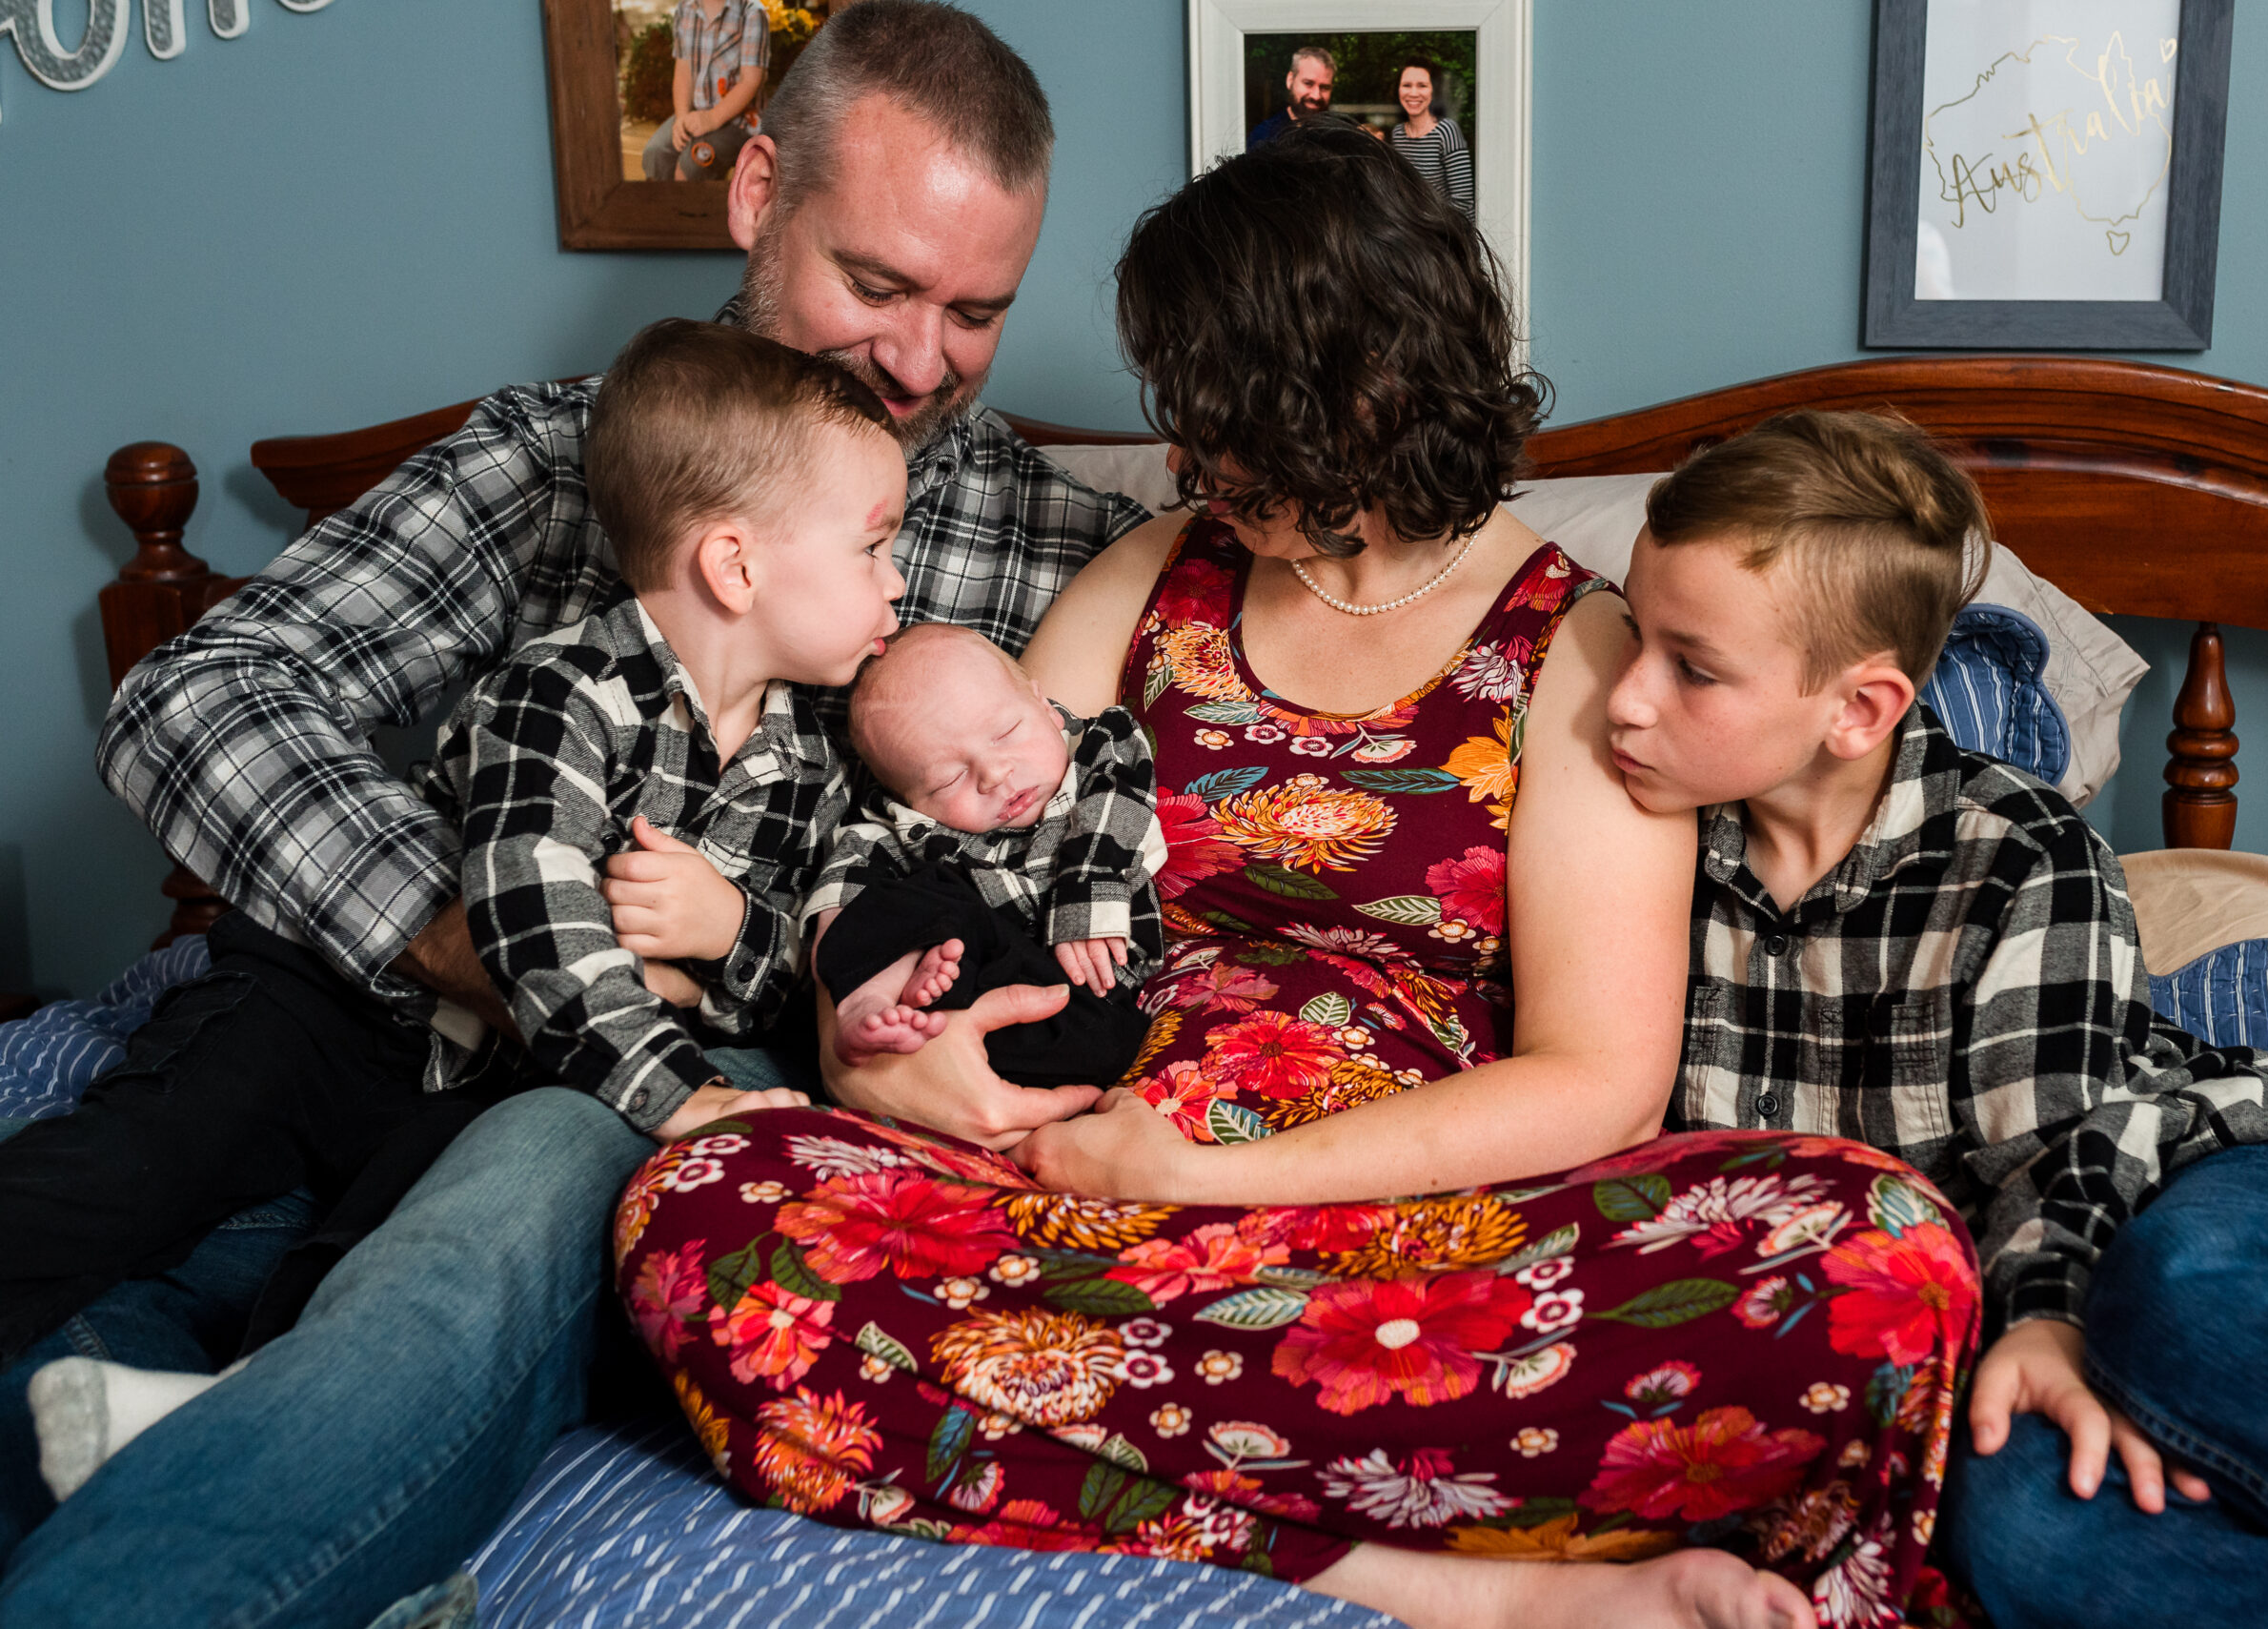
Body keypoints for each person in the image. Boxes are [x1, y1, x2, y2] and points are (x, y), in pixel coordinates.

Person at [624, 123, 1977, 1629]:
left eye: (1226, 418)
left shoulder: (1581, 647)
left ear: (1360, 393)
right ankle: (1439, 1571)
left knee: (1881, 1258)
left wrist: (1212, 1181)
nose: (1194, 460)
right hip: (1074, 1186)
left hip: (1403, 1241)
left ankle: (1111, 1433)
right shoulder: (1154, 579)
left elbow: (1600, 1084)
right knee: (701, 1205)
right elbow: (932, 856)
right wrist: (883, 1043)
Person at [0, 6, 1148, 1625]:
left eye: (977, 311)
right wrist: (466, 934)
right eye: (878, 284)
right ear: (757, 193)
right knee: (95, 1229)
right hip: (368, 998)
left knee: (413, 1272)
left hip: (632, 1070)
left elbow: (1141, 785)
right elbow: (197, 691)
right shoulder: (561, 460)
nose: (917, 357)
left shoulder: (1060, 546)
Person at [20, 316, 896, 1496]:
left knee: (389, 1247)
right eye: (876, 547)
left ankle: (249, 1406)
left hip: (495, 1070)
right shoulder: (562, 691)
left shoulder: (810, 753)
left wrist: (731, 930)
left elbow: (798, 953)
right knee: (145, 1162)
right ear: (736, 566)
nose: (901, 581)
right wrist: (686, 1095)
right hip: (329, 1004)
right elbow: (531, 924)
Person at [1600, 409, 2268, 1629]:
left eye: (1690, 665)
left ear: (1858, 707)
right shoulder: (1635, 858)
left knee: (2187, 1300)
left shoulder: (2018, 848)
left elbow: (2063, 1140)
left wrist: (2046, 1316)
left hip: (2182, 1180)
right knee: (2016, 1522)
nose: (1622, 699)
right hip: (1973, 1299)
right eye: (1631, 634)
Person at [808, 623, 1165, 1088]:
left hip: (1088, 997)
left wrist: (1086, 886)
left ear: (1045, 707)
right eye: (947, 781)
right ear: (910, 801)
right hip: (970, 989)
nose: (994, 774)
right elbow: (841, 897)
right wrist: (856, 975)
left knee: (1113, 1042)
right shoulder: (905, 832)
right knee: (914, 896)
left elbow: (1117, 802)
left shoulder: (1099, 752)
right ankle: (872, 1004)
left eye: (1007, 732)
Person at [642, 0, 771, 183]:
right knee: (655, 154)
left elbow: (751, 81)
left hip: (740, 121)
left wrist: (712, 118)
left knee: (691, 167)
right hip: (696, 111)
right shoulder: (686, 8)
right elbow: (683, 70)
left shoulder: (752, 13)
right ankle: (663, 209)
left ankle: (693, 210)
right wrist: (681, 117)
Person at [1386, 61, 1472, 219]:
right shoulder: (1398, 134)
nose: (1413, 93)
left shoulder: (1446, 131)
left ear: (1433, 91)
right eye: (1406, 85)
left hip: (1450, 231)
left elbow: (1463, 200)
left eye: (1422, 85)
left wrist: (1424, 223)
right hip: (1417, 230)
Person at [1246, 45, 1334, 148]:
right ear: (1290, 80)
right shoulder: (1265, 137)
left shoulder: (1336, 136)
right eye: (1308, 83)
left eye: (1324, 87)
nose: (1316, 96)